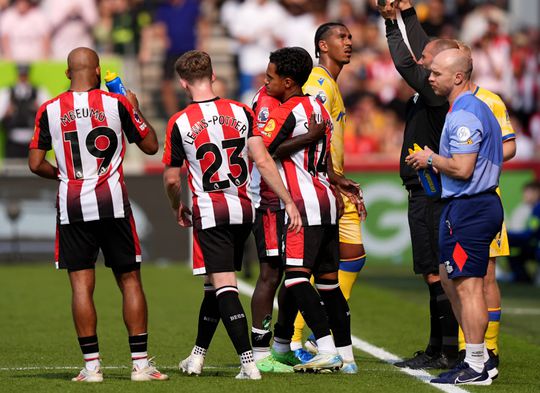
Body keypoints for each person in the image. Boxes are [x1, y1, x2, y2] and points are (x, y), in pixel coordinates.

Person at [27, 47, 167, 383]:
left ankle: (91, 369)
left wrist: (64, 176)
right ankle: (140, 365)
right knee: (130, 281)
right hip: (113, 203)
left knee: (80, 286)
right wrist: (135, 108)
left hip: (72, 204)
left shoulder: (49, 109)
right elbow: (151, 146)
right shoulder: (116, 104)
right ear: (99, 70)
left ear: (66, 73)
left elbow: (34, 163)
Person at [162, 50, 301, 380]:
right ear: (212, 76)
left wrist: (175, 206)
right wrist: (288, 201)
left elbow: (171, 177)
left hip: (211, 212)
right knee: (215, 285)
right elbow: (264, 161)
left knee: (224, 286)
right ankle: (197, 357)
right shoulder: (241, 111)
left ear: (183, 82)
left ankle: (248, 363)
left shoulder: (179, 122)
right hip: (244, 210)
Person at [406, 48, 503, 385]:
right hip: (466, 206)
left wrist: (430, 159)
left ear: (458, 77)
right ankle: (478, 358)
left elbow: (462, 168)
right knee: (451, 279)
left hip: (470, 207)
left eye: (436, 73)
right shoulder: (469, 108)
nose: (429, 78)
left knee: (469, 286)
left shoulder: (463, 115)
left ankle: (477, 363)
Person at [259, 46, 354, 373]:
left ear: (288, 82)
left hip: (303, 205)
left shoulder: (287, 111)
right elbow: (326, 156)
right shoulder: (319, 107)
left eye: (270, 78)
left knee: (296, 280)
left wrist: (305, 138)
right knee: (328, 284)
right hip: (327, 200)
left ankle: (328, 349)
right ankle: (348, 356)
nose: (266, 82)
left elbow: (264, 151)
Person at [379, 0, 459, 369]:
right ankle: (437, 347)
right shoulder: (434, 90)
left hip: (430, 190)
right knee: (433, 272)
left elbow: (406, 63)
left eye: (429, 58)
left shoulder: (435, 91)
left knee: (436, 272)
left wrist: (393, 25)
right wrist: (409, 14)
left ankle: (445, 350)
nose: (423, 61)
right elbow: (426, 49)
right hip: (425, 190)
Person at [290, 23, 367, 366]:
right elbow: (311, 130)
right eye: (342, 37)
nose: (349, 42)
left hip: (331, 182)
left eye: (350, 37)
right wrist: (331, 178)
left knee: (349, 259)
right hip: (319, 185)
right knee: (312, 271)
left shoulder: (330, 82)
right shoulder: (319, 82)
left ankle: (309, 334)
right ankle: (295, 338)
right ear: (322, 45)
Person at [455, 41, 517, 377]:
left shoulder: (489, 100)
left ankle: (489, 347)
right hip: (453, 199)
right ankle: (468, 347)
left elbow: (510, 146)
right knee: (457, 276)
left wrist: (474, 158)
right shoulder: (448, 103)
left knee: (486, 273)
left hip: (480, 196)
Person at [0, 64, 48, 159]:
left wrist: (39, 110)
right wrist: (7, 113)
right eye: (21, 75)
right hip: (12, 142)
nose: (23, 78)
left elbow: (50, 116)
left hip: (33, 141)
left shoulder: (39, 92)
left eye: (25, 75)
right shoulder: (7, 92)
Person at [507, 181, 540, 284]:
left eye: (527, 192)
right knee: (512, 251)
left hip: (537, 247)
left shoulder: (537, 209)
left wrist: (508, 236)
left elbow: (531, 233)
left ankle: (523, 278)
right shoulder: (532, 208)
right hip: (534, 244)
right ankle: (523, 278)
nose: (524, 196)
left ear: (537, 193)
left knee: (507, 245)